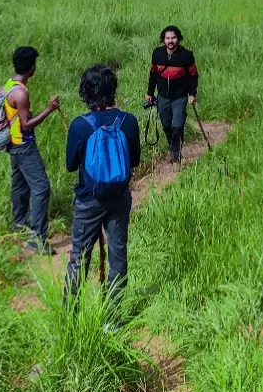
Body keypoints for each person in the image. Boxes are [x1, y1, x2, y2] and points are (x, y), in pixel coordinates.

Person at [65, 64, 141, 303]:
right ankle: (113, 318)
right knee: (118, 254)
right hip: (119, 197)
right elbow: (135, 160)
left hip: (88, 199)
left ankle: (71, 316)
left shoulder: (80, 125)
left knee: (79, 257)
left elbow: (70, 165)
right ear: (113, 89)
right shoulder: (128, 121)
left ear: (86, 92)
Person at [2, 45, 59, 253]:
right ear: (31, 68)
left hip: (12, 144)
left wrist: (11, 117)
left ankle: (19, 223)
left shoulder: (8, 85)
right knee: (41, 187)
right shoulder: (21, 93)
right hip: (24, 145)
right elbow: (27, 124)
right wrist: (49, 109)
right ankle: (38, 237)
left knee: (19, 184)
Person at [144, 25, 198, 164]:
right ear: (163, 40)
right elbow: (153, 74)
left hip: (180, 97)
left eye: (173, 37)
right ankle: (174, 148)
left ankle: (175, 153)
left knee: (178, 125)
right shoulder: (157, 53)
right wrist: (150, 92)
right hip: (162, 96)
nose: (170, 41)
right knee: (166, 125)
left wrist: (192, 94)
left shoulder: (187, 55)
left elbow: (193, 75)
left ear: (178, 39)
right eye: (167, 38)